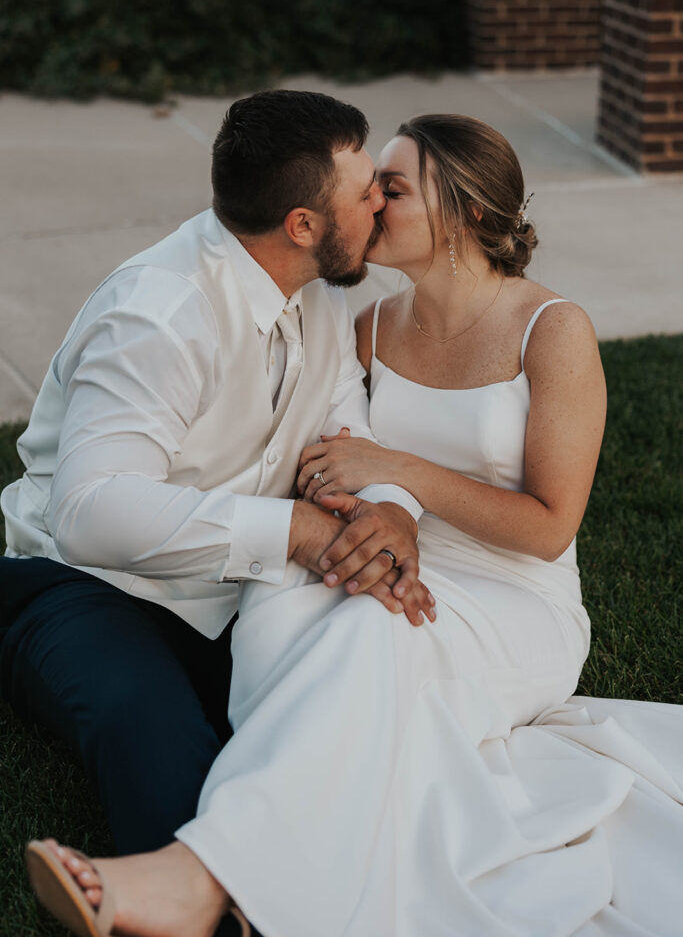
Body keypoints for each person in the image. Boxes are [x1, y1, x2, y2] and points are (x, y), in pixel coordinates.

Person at [26, 115, 683, 937]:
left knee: (376, 633)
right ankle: (290, 856)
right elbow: (334, 464)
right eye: (369, 188)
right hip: (332, 563)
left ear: (467, 215)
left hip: (510, 590)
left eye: (392, 187)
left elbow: (545, 527)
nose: (374, 201)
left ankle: (201, 875)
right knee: (283, 612)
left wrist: (399, 486)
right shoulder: (359, 322)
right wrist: (371, 517)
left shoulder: (550, 332)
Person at [1, 90, 435, 868]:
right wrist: (298, 530)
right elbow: (89, 512)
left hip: (237, 589)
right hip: (84, 584)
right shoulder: (160, 314)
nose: (382, 200)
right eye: (364, 189)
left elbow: (348, 431)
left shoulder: (323, 290)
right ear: (301, 225)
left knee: (359, 701)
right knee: (157, 734)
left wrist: (390, 512)